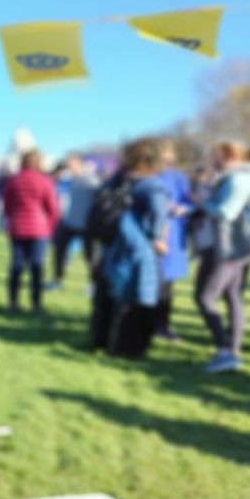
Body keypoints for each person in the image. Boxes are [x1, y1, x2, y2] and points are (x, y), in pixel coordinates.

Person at [193, 142, 250, 373]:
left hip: (230, 248)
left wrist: (201, 202)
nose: (213, 162)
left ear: (228, 157)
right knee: (232, 295)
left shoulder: (238, 179)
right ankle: (232, 350)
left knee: (205, 297)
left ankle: (225, 351)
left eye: (215, 157)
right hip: (242, 246)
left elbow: (226, 212)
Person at [101, 138, 169, 359]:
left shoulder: (117, 181)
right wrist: (158, 237)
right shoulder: (151, 185)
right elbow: (158, 212)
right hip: (139, 247)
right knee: (139, 296)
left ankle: (108, 341)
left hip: (116, 245)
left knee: (115, 295)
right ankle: (130, 347)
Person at [0, 149, 59, 314]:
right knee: (36, 267)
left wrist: (10, 220)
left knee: (16, 266)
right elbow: (53, 208)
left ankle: (12, 302)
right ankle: (36, 304)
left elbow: (6, 205)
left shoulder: (13, 180)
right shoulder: (45, 181)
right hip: (39, 229)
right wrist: (49, 226)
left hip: (17, 226)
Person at [153, 140, 193, 341]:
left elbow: (189, 202)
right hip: (154, 232)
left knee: (166, 283)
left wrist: (183, 208)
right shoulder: (149, 175)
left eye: (168, 153)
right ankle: (144, 324)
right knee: (150, 280)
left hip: (173, 234)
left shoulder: (178, 177)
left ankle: (162, 325)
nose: (166, 157)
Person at [49, 153, 98, 288]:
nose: (69, 166)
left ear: (79, 164)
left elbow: (98, 198)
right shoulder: (69, 180)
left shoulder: (90, 180)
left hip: (86, 224)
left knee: (90, 256)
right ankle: (57, 280)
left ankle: (94, 284)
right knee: (59, 251)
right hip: (68, 222)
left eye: (71, 164)